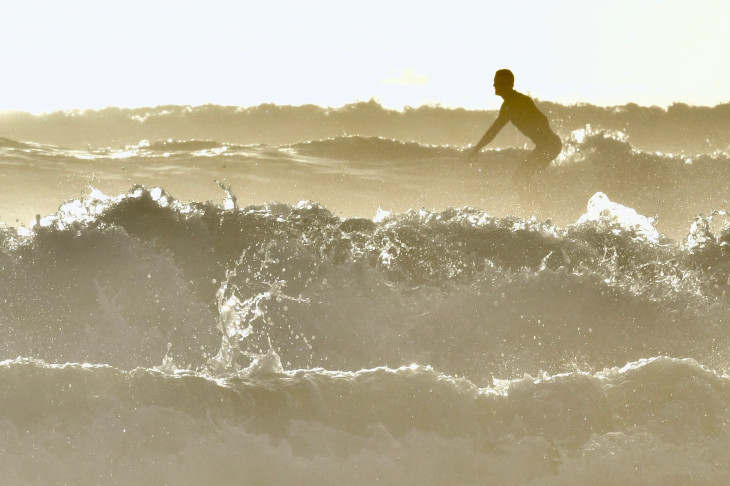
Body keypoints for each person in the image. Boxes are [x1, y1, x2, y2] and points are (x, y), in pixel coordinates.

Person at [469, 69, 562, 182]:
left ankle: (536, 199)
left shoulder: (519, 101)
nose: (494, 84)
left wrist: (543, 137)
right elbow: (493, 131)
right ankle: (535, 199)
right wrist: (477, 148)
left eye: (496, 81)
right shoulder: (507, 106)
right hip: (546, 146)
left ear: (506, 84)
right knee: (520, 177)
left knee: (520, 177)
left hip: (550, 145)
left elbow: (543, 119)